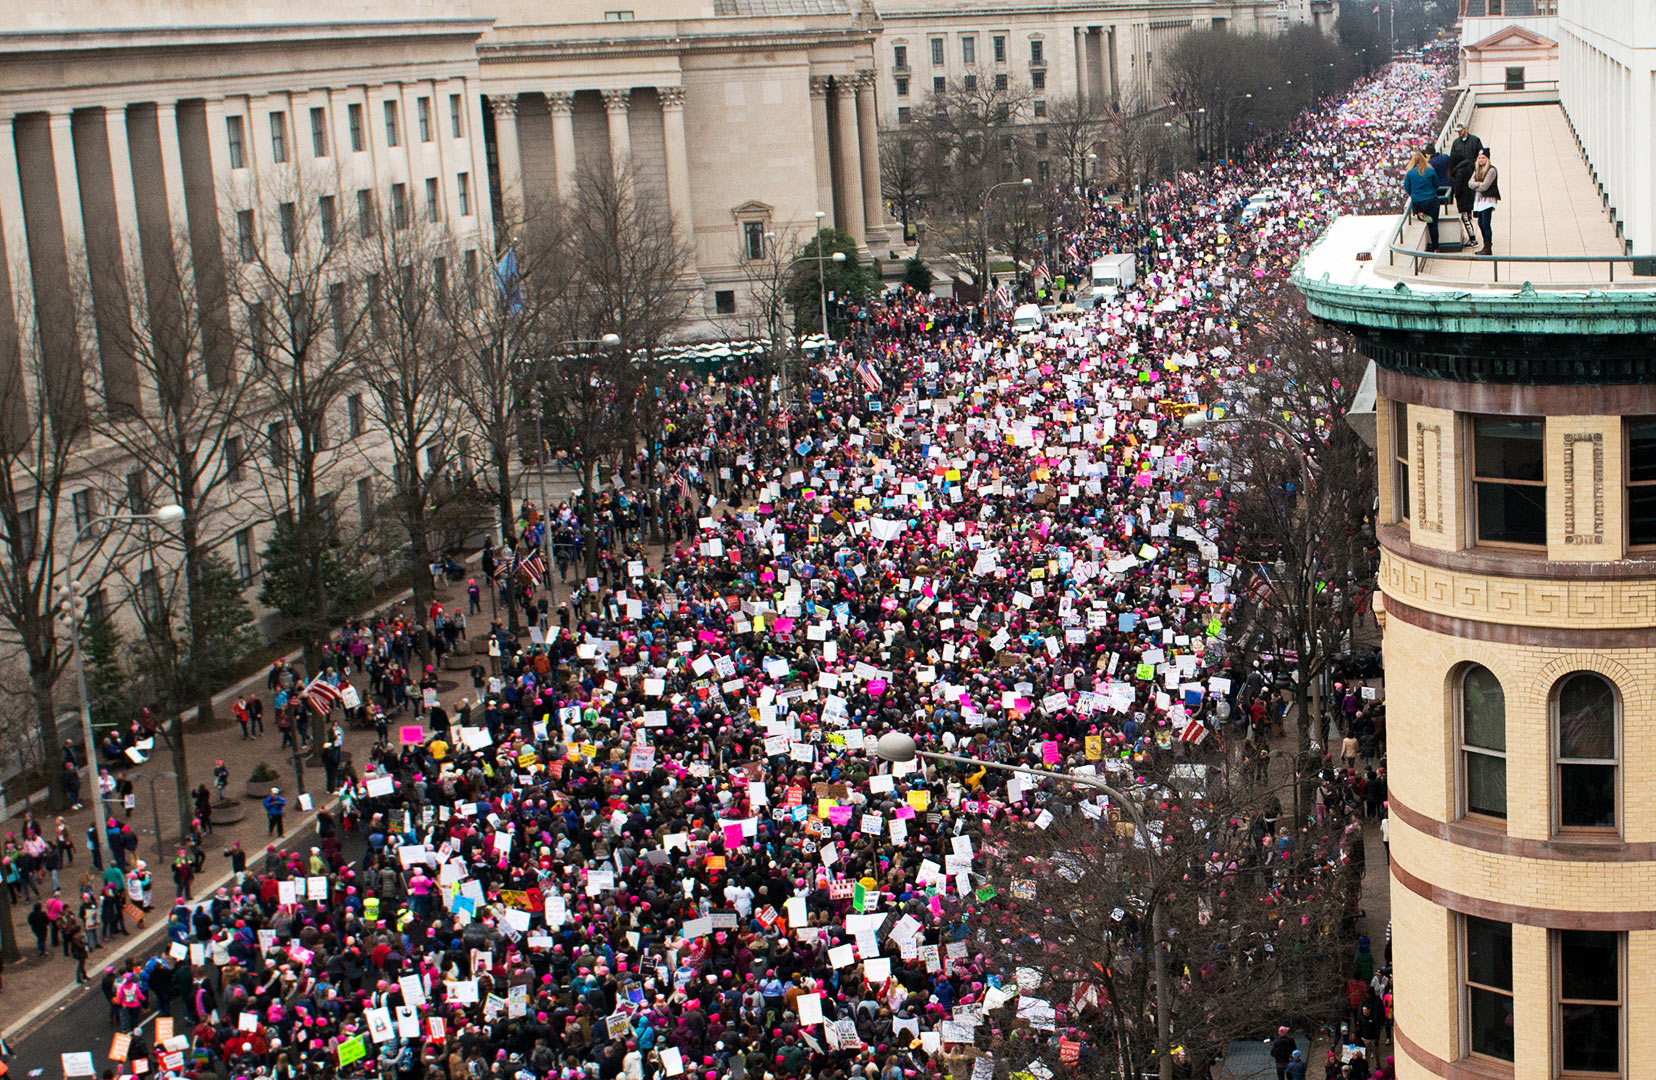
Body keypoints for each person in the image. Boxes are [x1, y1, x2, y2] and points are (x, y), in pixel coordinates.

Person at [1404, 150, 1441, 252]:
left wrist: (1415, 194)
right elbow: (1437, 184)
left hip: (1418, 202)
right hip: (1432, 200)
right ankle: (1436, 248)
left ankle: (1420, 214)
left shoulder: (1410, 173)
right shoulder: (1430, 170)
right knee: (1434, 225)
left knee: (1424, 216)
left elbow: (1407, 188)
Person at [1471, 147, 1500, 256]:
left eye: (1483, 158)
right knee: (1480, 223)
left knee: (1485, 223)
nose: (1481, 160)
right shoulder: (1477, 170)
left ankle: (1488, 247)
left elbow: (1485, 186)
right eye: (1479, 158)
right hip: (1479, 200)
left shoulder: (1491, 170)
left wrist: (1476, 185)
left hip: (1488, 200)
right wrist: (1477, 184)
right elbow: (1470, 183)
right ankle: (1485, 244)